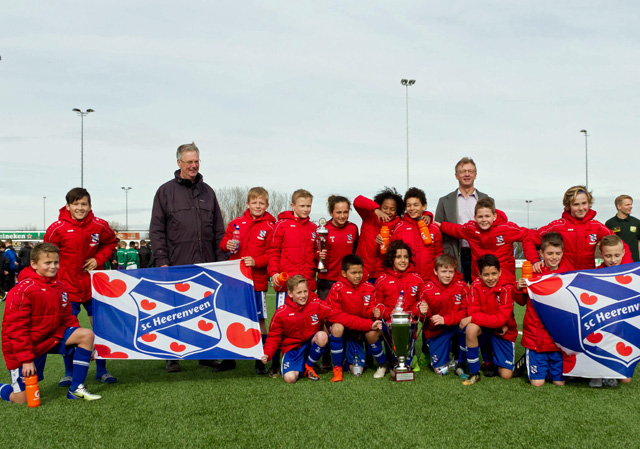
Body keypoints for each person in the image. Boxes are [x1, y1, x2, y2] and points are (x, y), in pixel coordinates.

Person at [149, 142, 227, 373]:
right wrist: (162, 259)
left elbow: (218, 230)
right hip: (176, 261)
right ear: (179, 163)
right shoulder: (165, 191)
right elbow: (157, 229)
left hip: (206, 262)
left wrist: (221, 259)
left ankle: (206, 354)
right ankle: (172, 355)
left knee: (206, 308)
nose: (193, 166)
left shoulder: (208, 192)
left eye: (196, 161)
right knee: (174, 309)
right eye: (189, 162)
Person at [1, 243, 102, 403]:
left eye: (56, 262)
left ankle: (76, 389)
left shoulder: (60, 286)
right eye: (47, 263)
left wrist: (81, 346)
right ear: (34, 264)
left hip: (50, 337)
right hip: (25, 346)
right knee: (23, 399)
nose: (53, 266)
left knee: (86, 335)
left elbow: (67, 317)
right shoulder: (22, 290)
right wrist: (27, 359)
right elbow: (16, 329)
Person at [45, 187, 118, 386]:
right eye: (75, 204)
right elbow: (47, 255)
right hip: (67, 288)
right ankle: (69, 372)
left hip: (95, 286)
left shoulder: (100, 225)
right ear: (68, 206)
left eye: (83, 204)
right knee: (68, 331)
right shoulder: (56, 228)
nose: (80, 208)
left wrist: (98, 258)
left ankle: (102, 371)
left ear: (90, 206)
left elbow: (111, 243)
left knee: (101, 328)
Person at [260, 275, 381, 383]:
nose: (303, 296)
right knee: (290, 379)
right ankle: (300, 365)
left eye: (305, 291)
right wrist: (267, 353)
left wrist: (369, 325)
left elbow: (342, 317)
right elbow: (274, 337)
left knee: (322, 336)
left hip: (311, 344)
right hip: (293, 349)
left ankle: (308, 366)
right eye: (299, 293)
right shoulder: (281, 313)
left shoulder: (317, 304)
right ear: (290, 293)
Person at [220, 186, 276, 375]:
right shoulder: (236, 222)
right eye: (254, 202)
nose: (258, 206)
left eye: (261, 203)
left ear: (267, 205)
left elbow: (273, 254)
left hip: (257, 281)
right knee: (230, 317)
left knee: (259, 320)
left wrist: (257, 261)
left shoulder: (270, 226)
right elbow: (224, 242)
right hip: (234, 281)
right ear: (247, 204)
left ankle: (261, 360)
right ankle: (229, 359)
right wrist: (226, 244)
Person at [524, 186, 633, 272]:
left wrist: (624, 269)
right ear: (568, 206)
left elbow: (622, 246)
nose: (581, 208)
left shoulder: (597, 226)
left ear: (589, 204)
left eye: (584, 203)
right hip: (563, 278)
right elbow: (529, 239)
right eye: (576, 204)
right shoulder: (557, 226)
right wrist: (535, 261)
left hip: (587, 279)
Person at [513, 233, 572, 387]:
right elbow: (520, 301)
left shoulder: (568, 273)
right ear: (541, 254)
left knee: (559, 383)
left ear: (562, 253)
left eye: (558, 253)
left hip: (558, 339)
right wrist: (519, 288)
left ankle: (547, 366)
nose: (554, 257)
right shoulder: (533, 273)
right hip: (536, 336)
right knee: (537, 383)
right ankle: (532, 361)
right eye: (550, 253)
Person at [438, 197, 531, 285]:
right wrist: (440, 225)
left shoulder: (507, 229)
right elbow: (455, 229)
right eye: (480, 217)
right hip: (481, 281)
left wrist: (534, 260)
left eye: (487, 216)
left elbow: (529, 236)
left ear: (494, 216)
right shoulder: (471, 230)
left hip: (504, 281)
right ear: (475, 217)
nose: (484, 220)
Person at [325, 255, 387, 381]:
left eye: (360, 272)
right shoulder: (337, 288)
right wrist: (367, 324)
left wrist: (373, 313)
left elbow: (369, 310)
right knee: (337, 327)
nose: (358, 276)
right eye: (353, 273)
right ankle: (337, 367)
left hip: (360, 330)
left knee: (357, 372)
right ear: (344, 273)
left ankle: (383, 364)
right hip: (346, 329)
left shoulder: (369, 288)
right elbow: (337, 316)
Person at [459, 254, 517, 385]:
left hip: (503, 332)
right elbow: (474, 311)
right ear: (479, 274)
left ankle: (491, 362)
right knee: (471, 328)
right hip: (486, 329)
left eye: (494, 273)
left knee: (506, 375)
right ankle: (474, 372)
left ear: (500, 272)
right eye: (486, 275)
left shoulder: (507, 288)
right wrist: (492, 322)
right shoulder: (475, 286)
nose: (490, 278)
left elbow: (500, 320)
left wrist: (473, 318)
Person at [435, 158, 490, 283]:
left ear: (475, 175)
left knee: (481, 293)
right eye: (463, 171)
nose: (466, 174)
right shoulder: (444, 201)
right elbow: (437, 230)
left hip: (479, 254)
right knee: (457, 295)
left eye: (470, 171)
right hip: (454, 254)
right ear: (456, 175)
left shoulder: (486, 199)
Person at [415, 254, 470, 376]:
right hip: (437, 331)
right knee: (440, 371)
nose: (448, 275)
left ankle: (460, 359)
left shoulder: (462, 287)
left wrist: (445, 319)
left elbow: (467, 312)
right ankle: (441, 356)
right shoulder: (427, 289)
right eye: (444, 271)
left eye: (451, 271)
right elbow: (423, 319)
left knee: (468, 328)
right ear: (435, 271)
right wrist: (423, 313)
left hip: (456, 326)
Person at [373, 241, 424, 368]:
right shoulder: (382, 280)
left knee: (407, 363)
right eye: (398, 257)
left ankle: (409, 357)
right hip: (389, 324)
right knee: (394, 359)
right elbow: (378, 303)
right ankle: (385, 361)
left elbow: (421, 302)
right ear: (391, 259)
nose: (403, 261)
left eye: (406, 257)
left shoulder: (417, 279)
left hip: (409, 324)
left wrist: (410, 314)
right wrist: (389, 315)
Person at [591, 234, 632, 387]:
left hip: (622, 329)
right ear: (601, 255)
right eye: (608, 256)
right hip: (602, 326)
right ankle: (597, 372)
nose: (613, 260)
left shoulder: (631, 274)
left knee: (626, 380)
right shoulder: (594, 275)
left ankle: (612, 370)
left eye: (616, 255)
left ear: (623, 253)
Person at [391, 187, 442, 282]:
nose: (412, 208)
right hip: (407, 280)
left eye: (416, 205)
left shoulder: (433, 228)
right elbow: (393, 255)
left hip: (429, 279)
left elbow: (438, 254)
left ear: (424, 206)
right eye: (409, 205)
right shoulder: (399, 227)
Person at [354, 188, 405, 283]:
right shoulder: (369, 216)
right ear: (380, 206)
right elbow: (358, 200)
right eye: (385, 208)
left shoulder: (399, 224)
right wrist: (375, 209)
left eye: (392, 209)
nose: (388, 212)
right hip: (361, 273)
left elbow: (414, 217)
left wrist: (428, 214)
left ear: (397, 211)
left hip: (382, 275)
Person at [316, 195, 359, 300]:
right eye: (338, 212)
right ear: (331, 213)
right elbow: (313, 254)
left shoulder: (353, 228)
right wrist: (318, 256)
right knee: (326, 314)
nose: (342, 216)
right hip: (326, 281)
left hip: (347, 280)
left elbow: (356, 252)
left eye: (345, 212)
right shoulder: (323, 230)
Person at [605, 195, 640, 262]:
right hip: (616, 262)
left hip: (634, 262)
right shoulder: (609, 223)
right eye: (627, 205)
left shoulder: (637, 222)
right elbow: (606, 244)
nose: (631, 207)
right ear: (619, 206)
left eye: (631, 204)